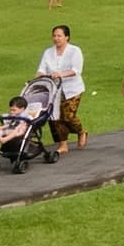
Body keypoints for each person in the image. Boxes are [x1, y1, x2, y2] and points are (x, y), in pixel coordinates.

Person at [39, 24, 88, 154]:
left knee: (68, 117)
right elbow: (41, 69)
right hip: (54, 90)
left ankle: (81, 131)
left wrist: (61, 74)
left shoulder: (75, 51)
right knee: (55, 117)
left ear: (67, 37)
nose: (56, 38)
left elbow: (76, 70)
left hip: (72, 89)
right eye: (54, 36)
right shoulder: (48, 52)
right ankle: (63, 143)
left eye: (59, 36)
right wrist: (38, 76)